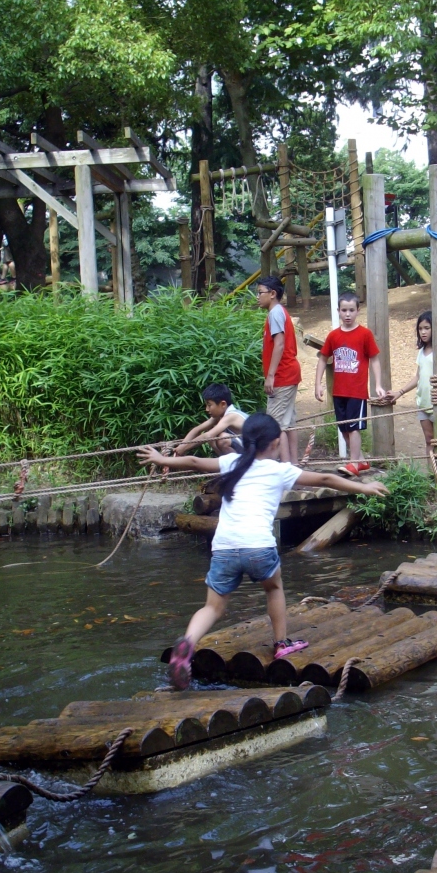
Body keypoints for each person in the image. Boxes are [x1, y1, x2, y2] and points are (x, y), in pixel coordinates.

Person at [141, 414, 388, 690]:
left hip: (224, 546)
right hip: (258, 545)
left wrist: (162, 460)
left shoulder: (232, 463)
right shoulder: (280, 470)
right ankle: (281, 644)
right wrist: (364, 487)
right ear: (275, 442)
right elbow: (326, 478)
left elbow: (194, 462)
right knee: (273, 588)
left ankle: (187, 645)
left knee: (213, 606)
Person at [314, 291, 387, 477]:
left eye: (351, 310)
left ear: (357, 311)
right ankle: (361, 460)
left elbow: (375, 359)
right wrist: (318, 384)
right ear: (338, 311)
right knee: (344, 427)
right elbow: (323, 359)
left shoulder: (365, 334)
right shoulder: (333, 336)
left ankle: (353, 463)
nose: (347, 314)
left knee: (354, 427)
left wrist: (378, 384)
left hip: (357, 391)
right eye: (344, 310)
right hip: (339, 391)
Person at [387, 311, 437, 453]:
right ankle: (432, 474)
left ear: (435, 328)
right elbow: (417, 377)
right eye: (420, 329)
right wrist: (399, 393)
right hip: (423, 403)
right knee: (429, 440)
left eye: (427, 328)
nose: (423, 332)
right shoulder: (421, 352)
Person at [258, 276, 301, 463]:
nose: (257, 297)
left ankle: (283, 467)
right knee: (288, 423)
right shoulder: (279, 312)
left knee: (275, 426)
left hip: (282, 375)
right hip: (288, 373)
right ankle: (293, 465)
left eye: (260, 292)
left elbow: (279, 344)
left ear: (273, 294)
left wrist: (270, 375)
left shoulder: (275, 313)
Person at [173, 384, 248, 456]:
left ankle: (237, 466)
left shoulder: (231, 416)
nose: (206, 409)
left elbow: (208, 435)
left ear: (223, 404)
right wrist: (180, 448)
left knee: (222, 438)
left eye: (209, 405)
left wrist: (184, 448)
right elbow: (197, 430)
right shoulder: (220, 416)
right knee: (212, 439)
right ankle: (228, 464)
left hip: (256, 450)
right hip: (247, 448)